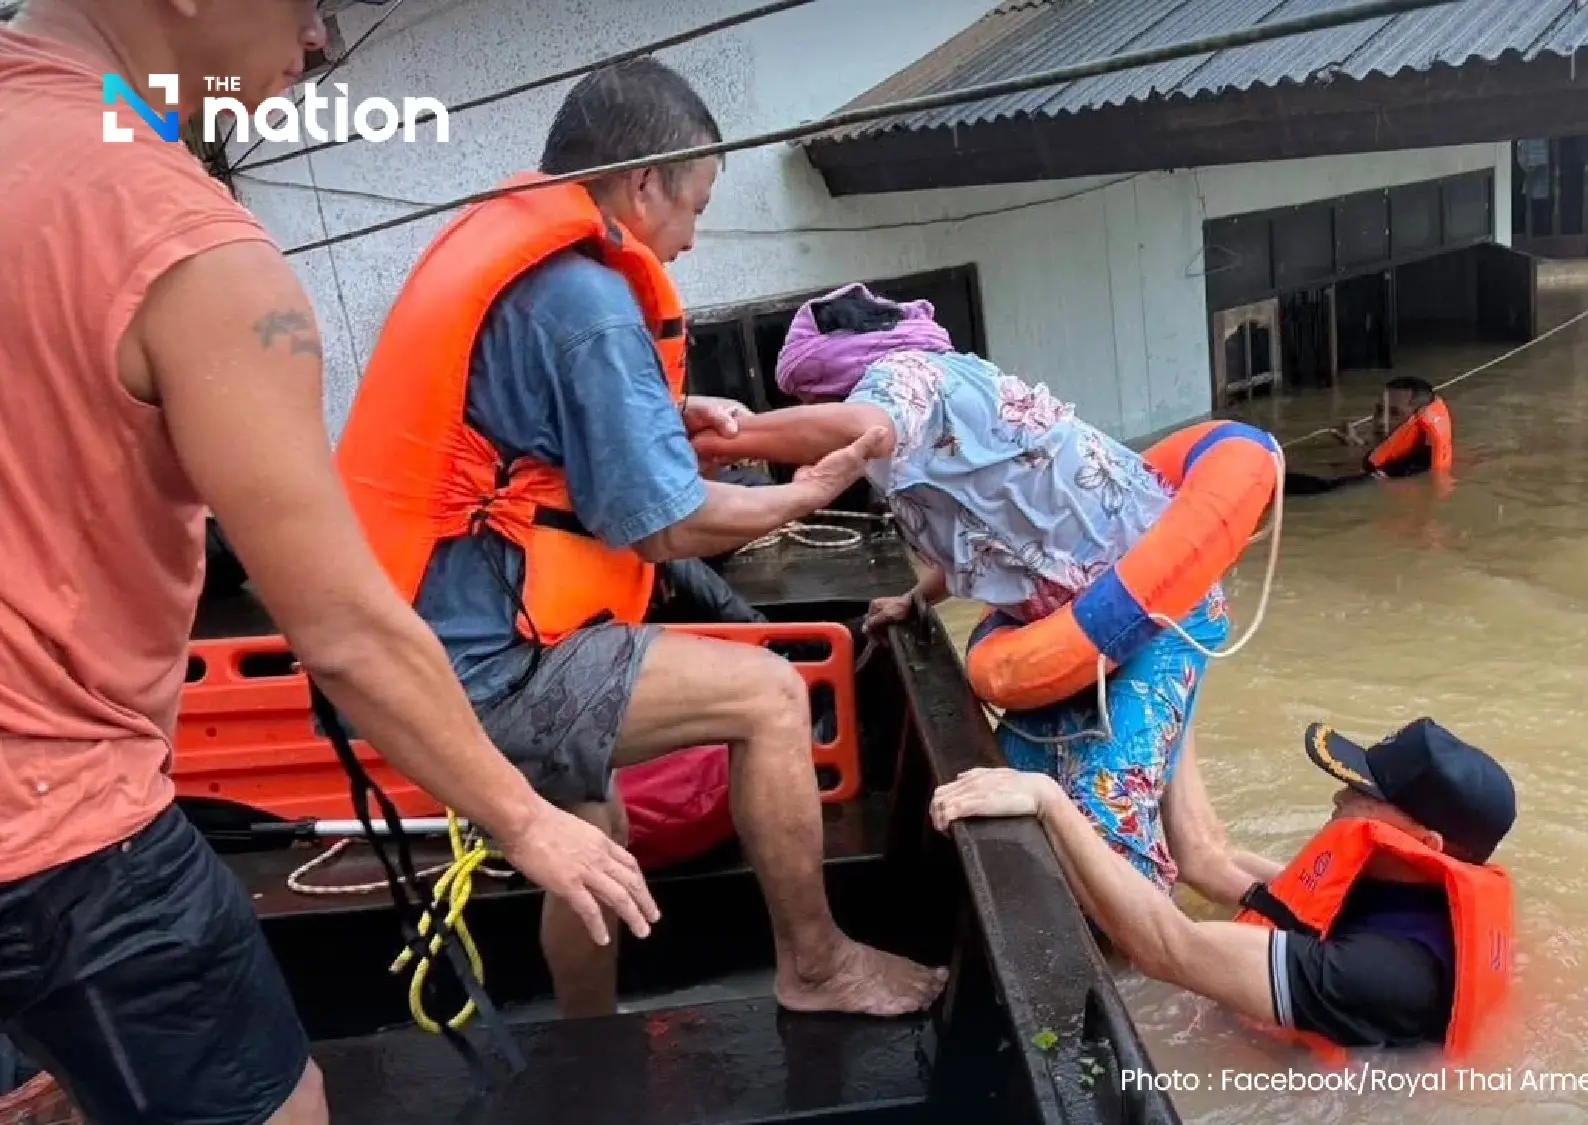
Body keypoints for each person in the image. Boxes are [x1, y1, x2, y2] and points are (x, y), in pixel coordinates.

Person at [0, 3, 661, 1124]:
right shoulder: (184, 243)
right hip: (62, 835)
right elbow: (345, 631)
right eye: (315, 4)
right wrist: (526, 820)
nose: (321, 43)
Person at [335, 61, 942, 1022]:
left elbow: (529, 441)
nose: (693, 238)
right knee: (771, 696)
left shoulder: (530, 267)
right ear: (644, 181)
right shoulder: (586, 302)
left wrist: (665, 410)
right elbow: (668, 528)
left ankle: (591, 1038)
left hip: (422, 644)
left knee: (593, 823)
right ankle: (818, 965)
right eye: (695, 205)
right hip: (493, 665)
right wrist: (806, 491)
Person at [689, 283, 1279, 906]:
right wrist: (914, 598)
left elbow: (867, 424)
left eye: (811, 403)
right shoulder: (931, 405)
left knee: (1109, 830)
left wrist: (723, 438)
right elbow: (987, 534)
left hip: (1155, 615)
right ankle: (1323, 915)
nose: (810, 420)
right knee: (1197, 850)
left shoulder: (905, 377)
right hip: (1091, 626)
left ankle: (1156, 992)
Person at [929, 718, 1517, 1058]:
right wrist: (1176, 706)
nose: (1340, 800)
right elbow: (1207, 859)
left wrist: (1048, 802)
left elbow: (1166, 949)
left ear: (1429, 843)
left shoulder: (1389, 970)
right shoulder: (1395, 883)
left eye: (1366, 797)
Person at [1282, 377, 1456, 496]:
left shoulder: (1407, 471)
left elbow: (1327, 490)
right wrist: (1357, 445)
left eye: (1394, 413)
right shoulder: (1396, 453)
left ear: (1417, 423)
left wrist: (1274, 473)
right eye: (1379, 410)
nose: (1381, 421)